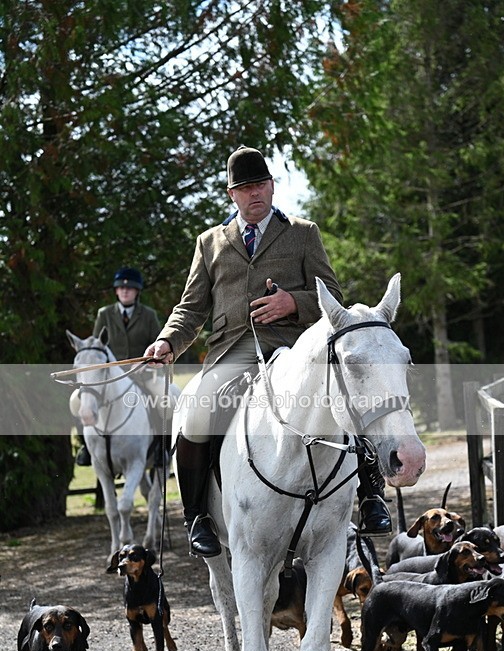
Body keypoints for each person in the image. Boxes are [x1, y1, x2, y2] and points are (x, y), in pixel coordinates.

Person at [144, 146, 391, 558]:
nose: (254, 193)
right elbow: (191, 308)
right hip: (233, 351)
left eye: (260, 184)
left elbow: (335, 298)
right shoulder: (209, 243)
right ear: (231, 194)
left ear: (272, 186)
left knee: (347, 394)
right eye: (244, 188)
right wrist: (168, 341)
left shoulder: (303, 232)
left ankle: (370, 495)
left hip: (295, 348)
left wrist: (293, 303)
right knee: (199, 411)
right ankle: (197, 516)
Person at [75, 267, 163, 467]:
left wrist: (146, 362)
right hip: (109, 377)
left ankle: (161, 449)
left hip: (142, 374)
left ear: (137, 291)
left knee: (165, 401)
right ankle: (86, 448)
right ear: (116, 291)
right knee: (76, 400)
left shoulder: (148, 315)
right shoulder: (104, 314)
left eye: (130, 288)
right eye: (121, 288)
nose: (125, 291)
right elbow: (95, 346)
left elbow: (157, 344)